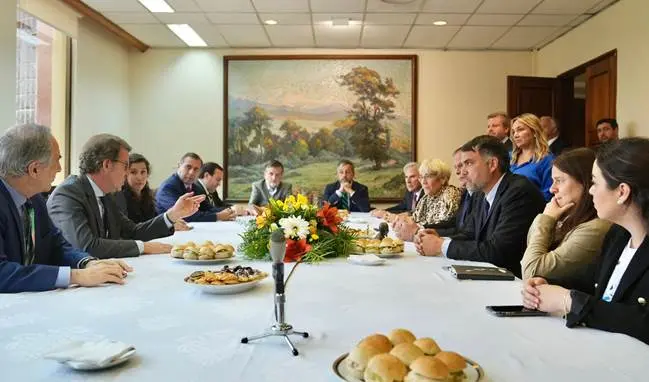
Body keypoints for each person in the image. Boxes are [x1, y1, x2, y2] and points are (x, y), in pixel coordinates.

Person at [522, 138, 649, 345]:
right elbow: (602, 293)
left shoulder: (606, 230)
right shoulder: (618, 236)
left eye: (595, 182)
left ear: (622, 192)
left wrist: (568, 301)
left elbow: (643, 322)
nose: (591, 191)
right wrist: (549, 286)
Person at [0, 124, 132, 293]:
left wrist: (87, 262)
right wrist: (75, 276)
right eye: (57, 160)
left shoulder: (34, 198)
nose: (60, 169)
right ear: (34, 169)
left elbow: (57, 245)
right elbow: (2, 272)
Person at [48, 134, 204, 259]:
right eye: (126, 166)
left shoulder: (105, 194)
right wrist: (143, 247)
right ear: (107, 165)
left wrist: (172, 215)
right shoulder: (68, 194)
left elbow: (133, 231)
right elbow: (87, 246)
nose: (127, 172)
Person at [414, 135, 545, 277]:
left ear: (492, 164)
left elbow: (499, 251)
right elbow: (469, 234)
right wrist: (438, 238)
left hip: (515, 284)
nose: (462, 172)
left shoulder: (519, 191)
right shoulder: (481, 193)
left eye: (468, 163)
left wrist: (440, 246)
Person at [521, 148, 611, 280]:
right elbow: (529, 253)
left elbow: (530, 270)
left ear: (585, 182)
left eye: (559, 180)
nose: (552, 189)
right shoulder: (566, 216)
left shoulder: (595, 228)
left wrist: (546, 219)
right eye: (553, 181)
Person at [117, 153, 190, 231]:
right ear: (125, 174)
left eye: (143, 172)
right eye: (133, 172)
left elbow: (153, 220)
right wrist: (165, 225)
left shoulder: (147, 195)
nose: (139, 177)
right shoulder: (119, 197)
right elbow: (132, 229)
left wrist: (171, 222)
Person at [392, 159, 461, 241]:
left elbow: (448, 227)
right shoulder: (426, 197)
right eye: (421, 177)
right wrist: (403, 221)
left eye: (428, 176)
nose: (423, 182)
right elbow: (415, 219)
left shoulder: (451, 195)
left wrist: (418, 230)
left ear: (443, 179)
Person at [156, 153, 236, 222]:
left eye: (196, 169)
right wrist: (218, 216)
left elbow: (207, 208)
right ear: (179, 166)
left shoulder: (194, 187)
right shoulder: (168, 187)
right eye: (188, 167)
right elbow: (183, 215)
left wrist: (230, 211)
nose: (191, 172)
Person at [510, 113, 554, 201]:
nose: (515, 135)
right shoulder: (508, 157)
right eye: (514, 131)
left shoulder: (547, 161)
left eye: (520, 130)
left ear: (534, 132)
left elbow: (548, 195)